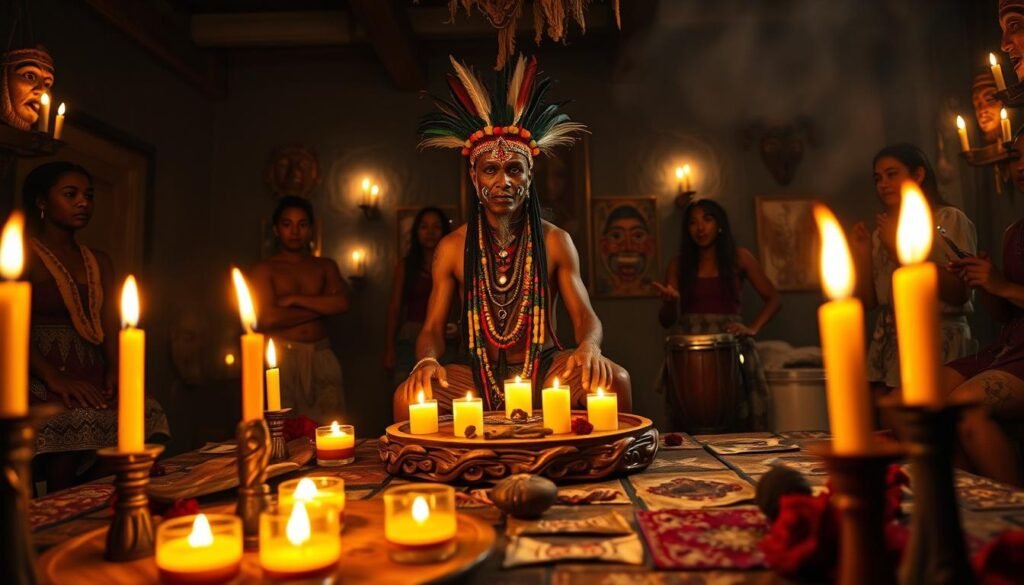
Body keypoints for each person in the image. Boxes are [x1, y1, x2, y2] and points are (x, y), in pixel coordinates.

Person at [393, 54, 631, 419]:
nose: (503, 181)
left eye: (514, 170)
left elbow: (586, 316)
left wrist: (589, 347)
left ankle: (615, 453)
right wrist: (426, 361)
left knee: (615, 380)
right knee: (408, 397)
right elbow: (432, 329)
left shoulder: (554, 241)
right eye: (490, 170)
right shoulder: (453, 247)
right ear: (474, 177)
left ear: (529, 175)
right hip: (478, 373)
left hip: (546, 370)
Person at [24, 161, 169, 491]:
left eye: (88, 196)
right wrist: (54, 377)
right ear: (42, 201)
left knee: (143, 413)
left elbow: (109, 321)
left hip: (92, 366)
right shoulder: (27, 255)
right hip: (41, 369)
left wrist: (116, 368)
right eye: (70, 194)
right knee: (72, 421)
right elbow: (10, 327)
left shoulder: (98, 260)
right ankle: (56, 509)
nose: (83, 203)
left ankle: (99, 502)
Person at [850, 144, 976, 399]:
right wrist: (863, 254)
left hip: (936, 337)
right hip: (889, 343)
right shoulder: (882, 231)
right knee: (886, 417)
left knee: (926, 413)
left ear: (918, 175)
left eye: (891, 174)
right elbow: (869, 302)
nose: (883, 184)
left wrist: (898, 250)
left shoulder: (947, 220)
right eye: (878, 178)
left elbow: (959, 292)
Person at [653, 199, 781, 430]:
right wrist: (671, 303)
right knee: (690, 421)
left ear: (719, 224)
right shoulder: (678, 265)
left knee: (739, 421)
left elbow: (774, 299)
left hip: (732, 346)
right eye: (693, 222)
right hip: (690, 353)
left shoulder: (740, 258)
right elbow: (666, 321)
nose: (700, 228)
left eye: (707, 219)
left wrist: (752, 329)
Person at [943, 130, 1024, 486]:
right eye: (1016, 157)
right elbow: (1004, 316)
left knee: (963, 406)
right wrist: (985, 282)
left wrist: (1002, 285)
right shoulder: (1013, 232)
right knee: (918, 399)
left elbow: (1009, 291)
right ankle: (964, 501)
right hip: (1008, 345)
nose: (1020, 166)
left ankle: (1012, 505)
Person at [250, 196, 349, 422]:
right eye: (287, 224)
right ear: (276, 229)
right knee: (284, 426)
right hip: (283, 357)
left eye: (302, 224)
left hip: (321, 354)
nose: (295, 231)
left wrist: (295, 299)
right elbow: (266, 318)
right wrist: (322, 307)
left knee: (329, 425)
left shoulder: (325, 266)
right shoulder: (264, 270)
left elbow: (342, 303)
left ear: (311, 229)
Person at [384, 207, 456, 384]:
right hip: (411, 336)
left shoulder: (453, 264)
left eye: (436, 226)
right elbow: (395, 307)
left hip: (445, 337)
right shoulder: (406, 266)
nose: (430, 232)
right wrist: (389, 348)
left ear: (444, 230)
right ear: (416, 231)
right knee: (408, 388)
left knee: (444, 387)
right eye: (424, 227)